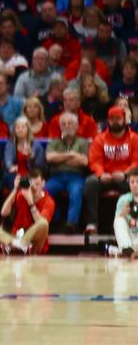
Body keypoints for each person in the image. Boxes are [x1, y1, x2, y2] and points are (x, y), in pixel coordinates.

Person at [84, 104, 138, 235]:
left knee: (134, 184)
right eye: (112, 118)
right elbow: (94, 160)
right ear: (108, 120)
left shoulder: (134, 138)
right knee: (90, 182)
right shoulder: (100, 138)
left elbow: (136, 160)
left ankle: (132, 223)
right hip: (105, 176)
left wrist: (126, 174)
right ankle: (92, 224)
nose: (115, 121)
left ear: (124, 120)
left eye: (118, 118)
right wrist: (101, 174)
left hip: (125, 176)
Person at [0, 168, 56, 254]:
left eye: (37, 184)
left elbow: (41, 224)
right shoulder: (21, 195)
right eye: (32, 184)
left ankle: (20, 244)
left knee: (43, 223)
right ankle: (17, 244)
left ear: (43, 183)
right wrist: (15, 189)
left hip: (34, 241)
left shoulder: (49, 201)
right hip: (16, 236)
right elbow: (3, 213)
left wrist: (30, 203)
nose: (35, 187)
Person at [43, 109, 89, 229]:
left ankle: (71, 224)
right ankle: (52, 220)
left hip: (76, 177)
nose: (67, 126)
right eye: (64, 124)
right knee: (45, 190)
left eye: (70, 123)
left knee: (76, 191)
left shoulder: (83, 142)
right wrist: (71, 155)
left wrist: (60, 158)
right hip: (56, 176)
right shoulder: (54, 142)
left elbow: (84, 161)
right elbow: (49, 158)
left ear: (77, 125)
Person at [109, 168, 138, 258]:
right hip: (129, 237)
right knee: (119, 219)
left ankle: (118, 251)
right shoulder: (123, 199)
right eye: (132, 182)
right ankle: (127, 249)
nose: (135, 185)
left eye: (137, 182)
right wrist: (124, 215)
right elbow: (119, 225)